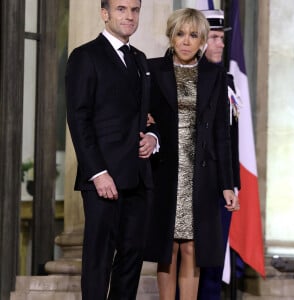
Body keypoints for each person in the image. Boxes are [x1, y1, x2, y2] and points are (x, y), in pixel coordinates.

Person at [143, 8, 239, 300]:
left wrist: (227, 184)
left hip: (202, 174)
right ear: (171, 37)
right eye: (180, 34)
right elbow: (139, 115)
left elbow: (221, 134)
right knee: (167, 247)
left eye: (193, 35)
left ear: (203, 41)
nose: (186, 41)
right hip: (164, 172)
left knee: (191, 247)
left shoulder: (215, 75)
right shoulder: (151, 69)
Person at [65, 0, 158, 299]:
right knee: (99, 259)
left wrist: (154, 138)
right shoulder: (84, 57)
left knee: (131, 258)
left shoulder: (141, 60)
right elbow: (78, 118)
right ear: (104, 14)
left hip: (138, 177)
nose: (129, 16)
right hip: (103, 179)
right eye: (121, 9)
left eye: (134, 10)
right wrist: (97, 172)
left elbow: (149, 116)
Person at [197, 9, 241, 300]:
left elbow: (229, 137)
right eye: (214, 37)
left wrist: (232, 182)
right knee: (191, 260)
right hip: (197, 182)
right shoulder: (189, 79)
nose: (221, 44)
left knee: (213, 261)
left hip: (222, 183)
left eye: (221, 38)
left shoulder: (226, 80)